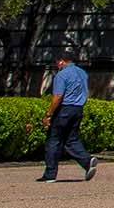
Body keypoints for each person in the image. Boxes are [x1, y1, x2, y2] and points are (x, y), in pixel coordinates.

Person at [37, 48, 99, 183]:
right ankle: (87, 162)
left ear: (61, 61)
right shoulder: (82, 73)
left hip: (64, 109)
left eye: (57, 63)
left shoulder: (62, 75)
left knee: (54, 140)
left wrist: (49, 114)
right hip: (78, 109)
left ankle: (50, 174)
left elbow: (58, 96)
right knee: (71, 139)